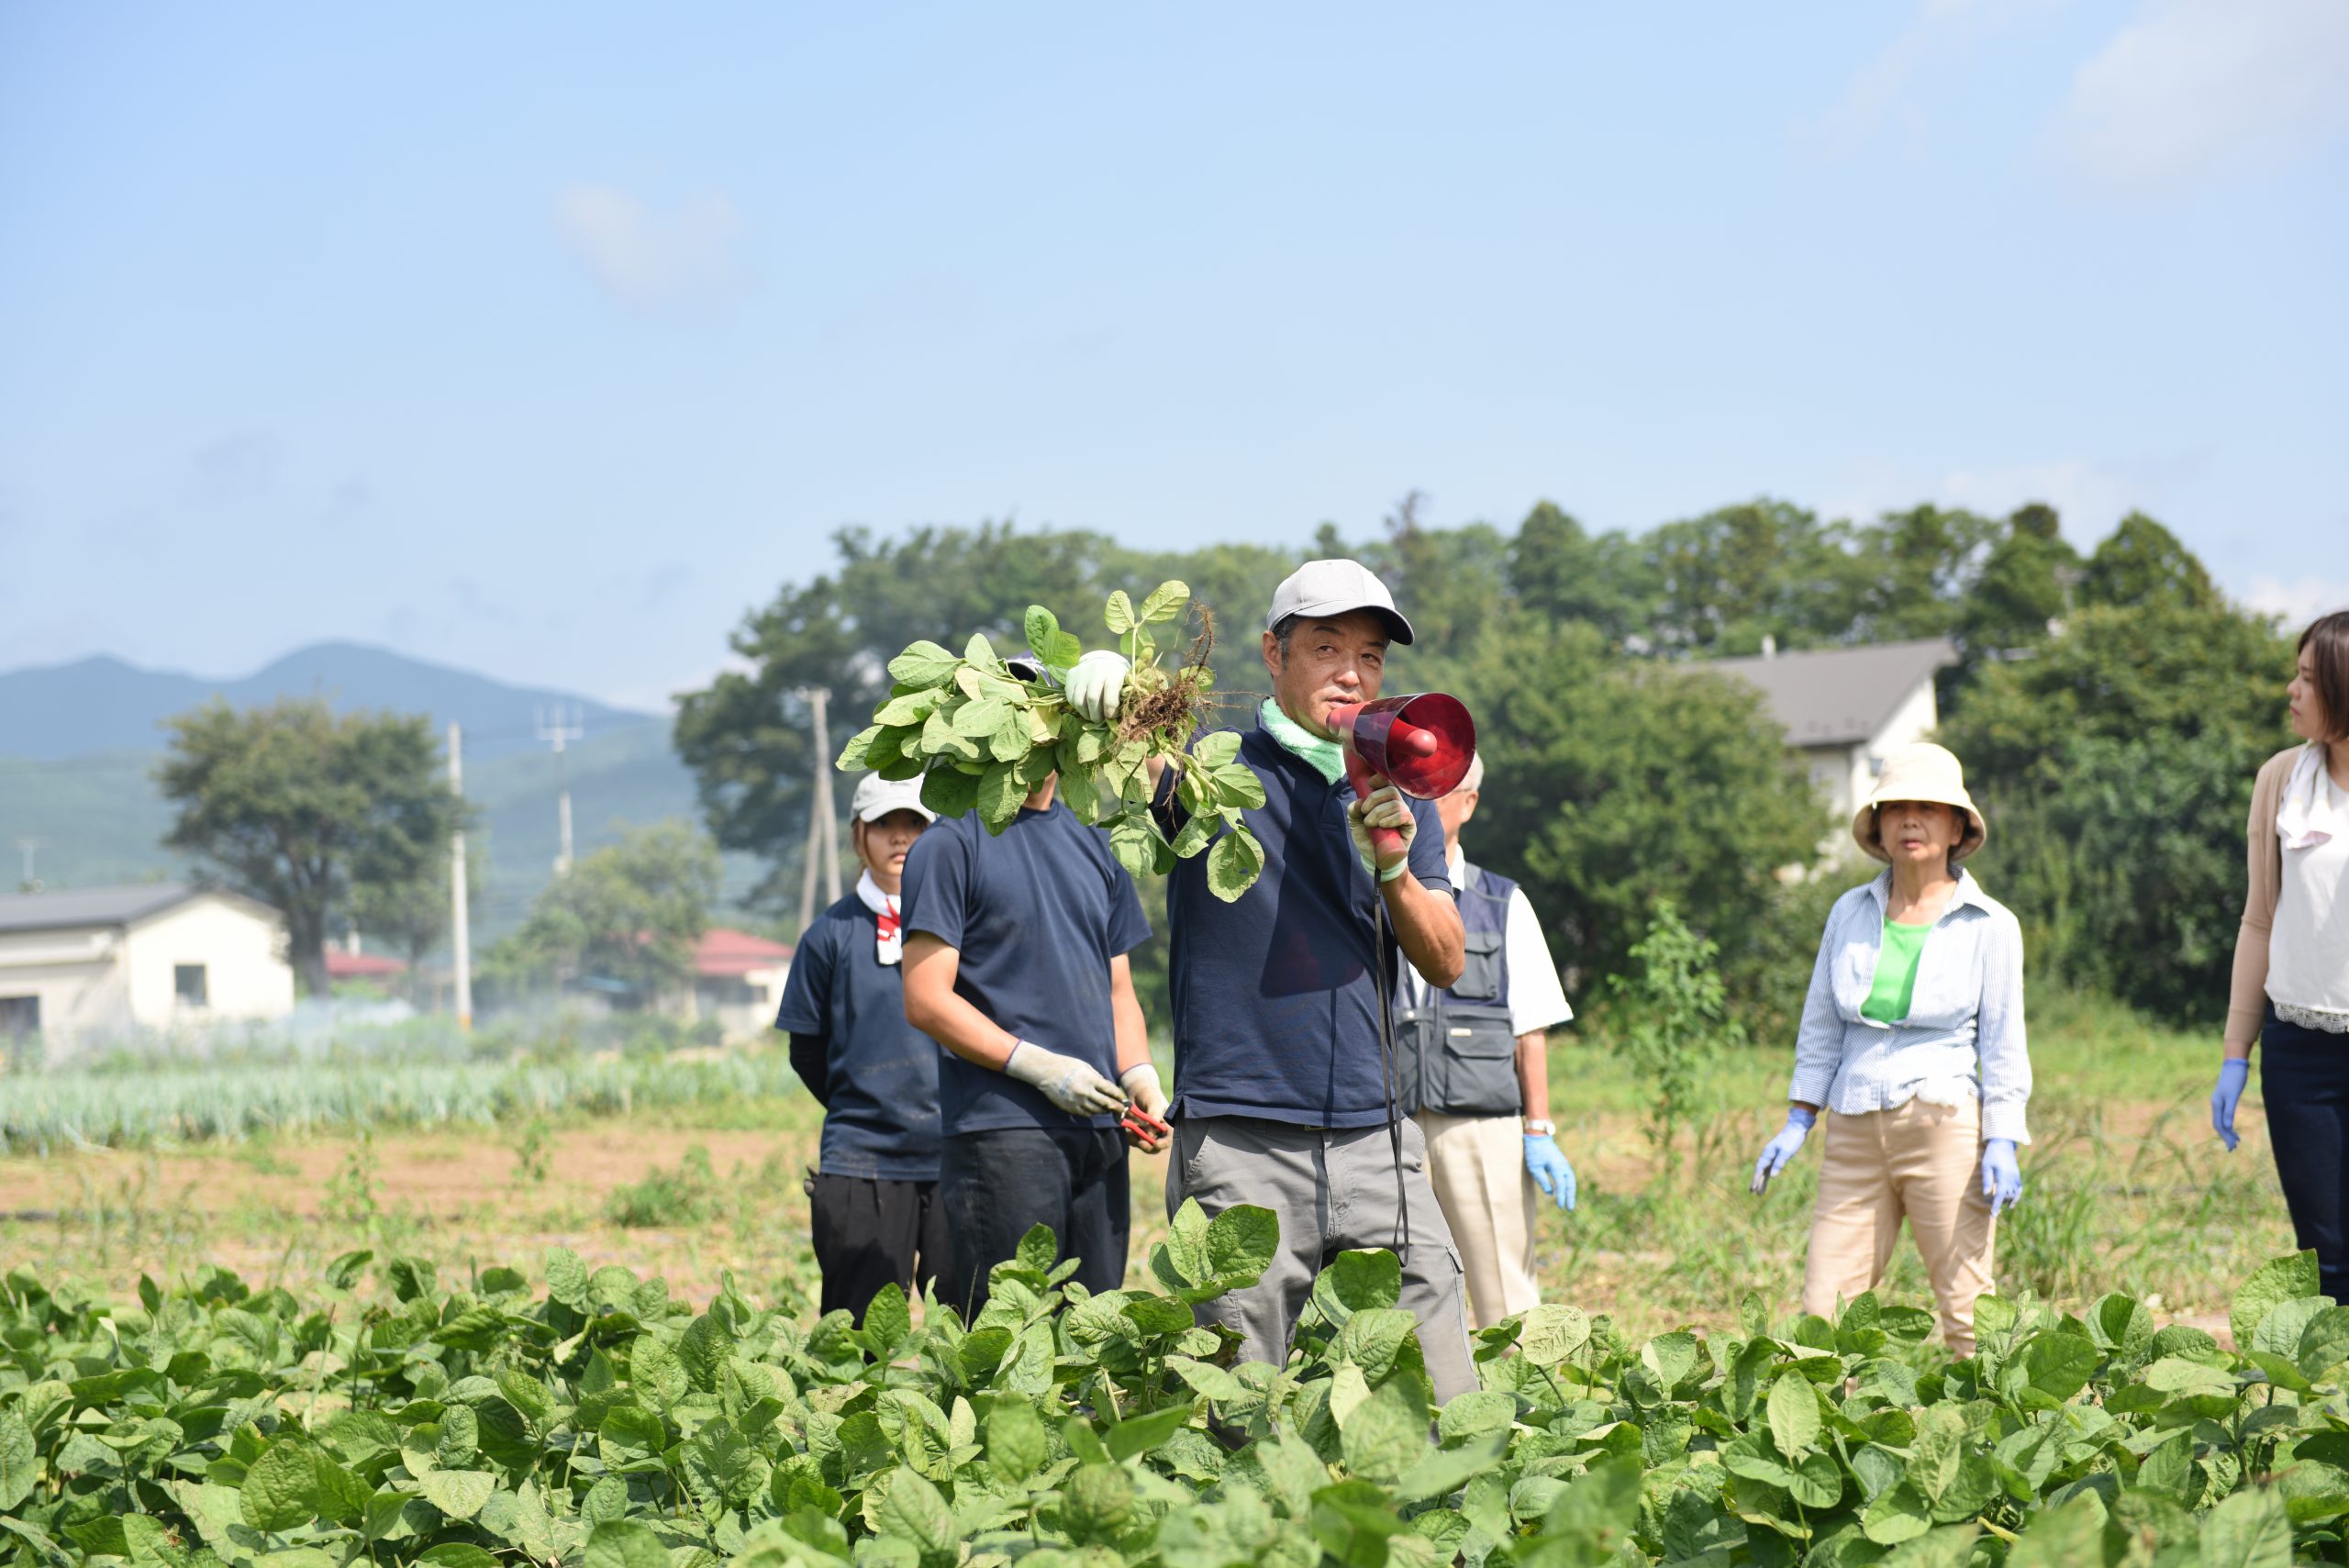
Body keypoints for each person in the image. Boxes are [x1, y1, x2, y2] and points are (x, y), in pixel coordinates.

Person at [1065, 558, 1481, 1405]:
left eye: (1370, 656)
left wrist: (1395, 865)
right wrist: (1100, 699)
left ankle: (1446, 1544)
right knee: (1237, 1411)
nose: (1351, 673)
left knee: (1443, 1392)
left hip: (1377, 1137)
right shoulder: (1214, 772)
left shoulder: (1400, 785)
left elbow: (1445, 957)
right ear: (1272, 652)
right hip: (1243, 1140)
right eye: (1327, 647)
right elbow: (1134, 763)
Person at [1748, 741, 2030, 1357]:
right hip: (1852, 1131)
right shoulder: (1849, 911)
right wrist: (1799, 1117)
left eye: (1929, 808)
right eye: (1896, 807)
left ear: (1957, 825)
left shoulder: (1990, 924)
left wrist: (2004, 1135)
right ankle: (1826, 1439)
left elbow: (2005, 1040)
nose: (1910, 819)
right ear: (1877, 822)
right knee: (1826, 1312)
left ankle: (1995, 1440)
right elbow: (1822, 1023)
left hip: (1943, 1127)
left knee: (1967, 1309)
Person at [896, 748, 1162, 1318]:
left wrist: (1139, 1074)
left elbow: (1119, 991)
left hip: (1098, 1128)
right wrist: (1037, 1065)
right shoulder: (951, 843)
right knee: (1011, 1338)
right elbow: (925, 999)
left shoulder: (1097, 845)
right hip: (1004, 1131)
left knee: (1092, 1333)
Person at [1394, 751, 1579, 1331]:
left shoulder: (1502, 902)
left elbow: (1532, 1026)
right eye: (1408, 789)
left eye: (1433, 791)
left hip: (1479, 1124)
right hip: (1389, 1121)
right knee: (1397, 1285)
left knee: (1501, 1281)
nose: (1415, 803)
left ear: (1467, 803)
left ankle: (1523, 1408)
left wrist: (1538, 1130)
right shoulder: (1376, 888)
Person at [774, 773, 946, 1322]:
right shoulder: (829, 936)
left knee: (973, 1330)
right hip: (861, 1159)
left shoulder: (964, 928)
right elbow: (808, 1051)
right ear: (858, 837)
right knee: (858, 1338)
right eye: (885, 825)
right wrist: (863, 1104)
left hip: (958, 1156)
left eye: (914, 824)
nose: (900, 838)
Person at [2212, 610, 2349, 1300]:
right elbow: (2259, 918)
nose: (2291, 692)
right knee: (2325, 1255)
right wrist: (2238, 1051)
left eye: (2306, 678)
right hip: (2301, 1050)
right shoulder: (2280, 780)